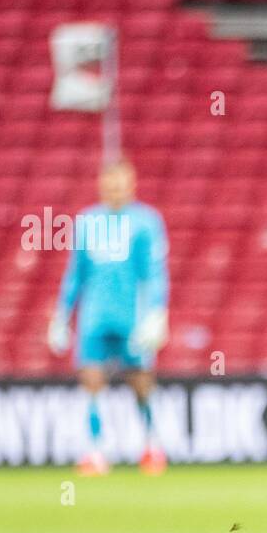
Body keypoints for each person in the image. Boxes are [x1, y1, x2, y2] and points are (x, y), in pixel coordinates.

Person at [48, 159, 170, 476]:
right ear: (102, 185)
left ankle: (151, 445)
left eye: (121, 183)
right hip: (94, 316)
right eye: (110, 184)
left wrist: (158, 312)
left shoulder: (146, 221)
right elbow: (76, 273)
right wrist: (62, 314)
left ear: (132, 184)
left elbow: (155, 272)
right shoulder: (88, 221)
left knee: (140, 380)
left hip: (133, 315)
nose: (115, 190)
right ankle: (96, 449)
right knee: (91, 379)